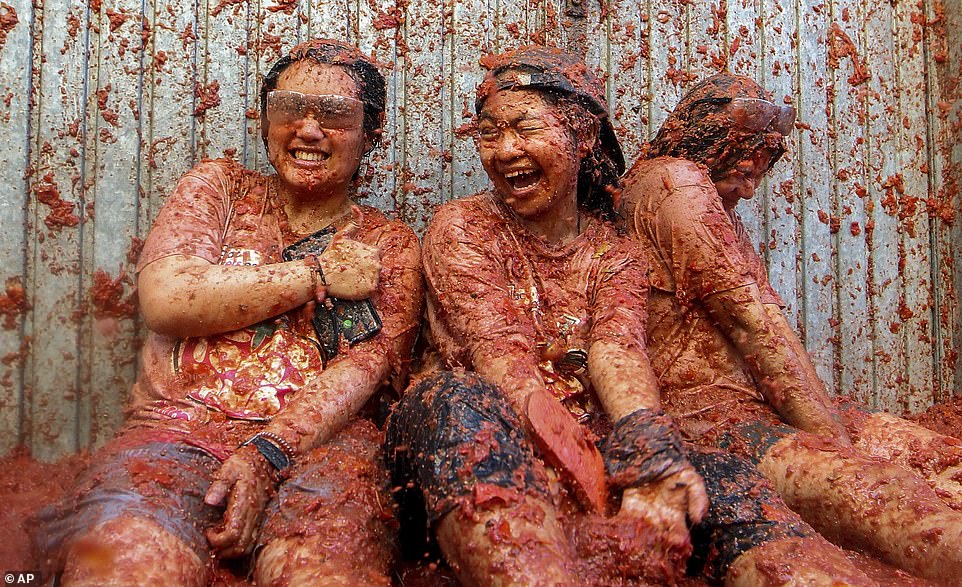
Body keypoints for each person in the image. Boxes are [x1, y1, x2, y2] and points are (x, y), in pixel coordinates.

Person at [386, 46, 881, 586]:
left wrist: (652, 452)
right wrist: (602, 485)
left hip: (589, 447)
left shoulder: (615, 253)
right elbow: (503, 361)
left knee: (728, 481)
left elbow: (617, 350)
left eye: (526, 128)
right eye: (489, 132)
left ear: (583, 137)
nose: (506, 151)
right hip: (483, 442)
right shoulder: (462, 226)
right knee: (458, 401)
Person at [33, 39, 423, 586]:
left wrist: (268, 451)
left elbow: (365, 369)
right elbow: (168, 299)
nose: (309, 131)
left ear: (371, 133)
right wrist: (313, 277)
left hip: (321, 453)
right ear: (265, 122)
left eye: (334, 116)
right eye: (291, 110)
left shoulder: (389, 243)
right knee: (127, 567)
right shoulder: (219, 189)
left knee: (323, 572)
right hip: (172, 435)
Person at [620, 72, 962, 582]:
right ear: (707, 142)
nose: (752, 188)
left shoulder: (704, 196)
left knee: (937, 454)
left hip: (765, 411)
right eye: (743, 167)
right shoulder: (676, 184)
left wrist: (839, 432)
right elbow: (753, 324)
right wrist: (840, 448)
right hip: (719, 425)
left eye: (762, 169)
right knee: (897, 505)